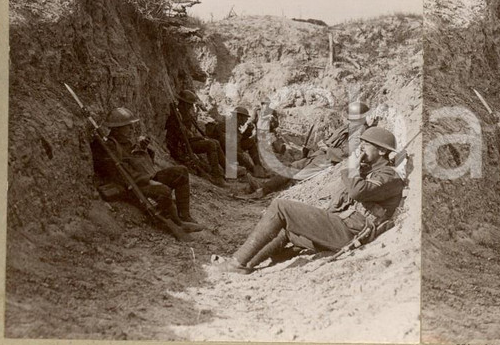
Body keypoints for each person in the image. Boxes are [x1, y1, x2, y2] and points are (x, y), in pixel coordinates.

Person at [212, 126, 406, 274]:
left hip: (349, 233)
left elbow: (356, 191)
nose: (361, 149)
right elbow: (343, 196)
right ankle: (245, 265)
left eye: (366, 146)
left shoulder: (390, 176)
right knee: (288, 230)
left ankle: (237, 262)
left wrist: (353, 167)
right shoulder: (371, 172)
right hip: (342, 226)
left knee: (281, 206)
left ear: (382, 151)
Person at [91, 107, 204, 233]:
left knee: (181, 171)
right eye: (128, 127)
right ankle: (178, 223)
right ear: (117, 129)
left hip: (143, 178)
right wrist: (148, 181)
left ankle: (184, 215)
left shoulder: (125, 143)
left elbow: (141, 163)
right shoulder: (110, 147)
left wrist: (144, 149)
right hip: (131, 185)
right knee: (163, 190)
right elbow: (121, 173)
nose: (131, 129)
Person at [165, 90, 226, 187]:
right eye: (189, 105)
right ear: (184, 104)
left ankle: (226, 169)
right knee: (211, 144)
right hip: (183, 147)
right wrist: (198, 139)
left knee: (215, 142)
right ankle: (216, 176)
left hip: (189, 142)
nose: (190, 107)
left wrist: (199, 138)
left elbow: (189, 134)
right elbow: (180, 138)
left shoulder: (185, 114)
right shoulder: (176, 117)